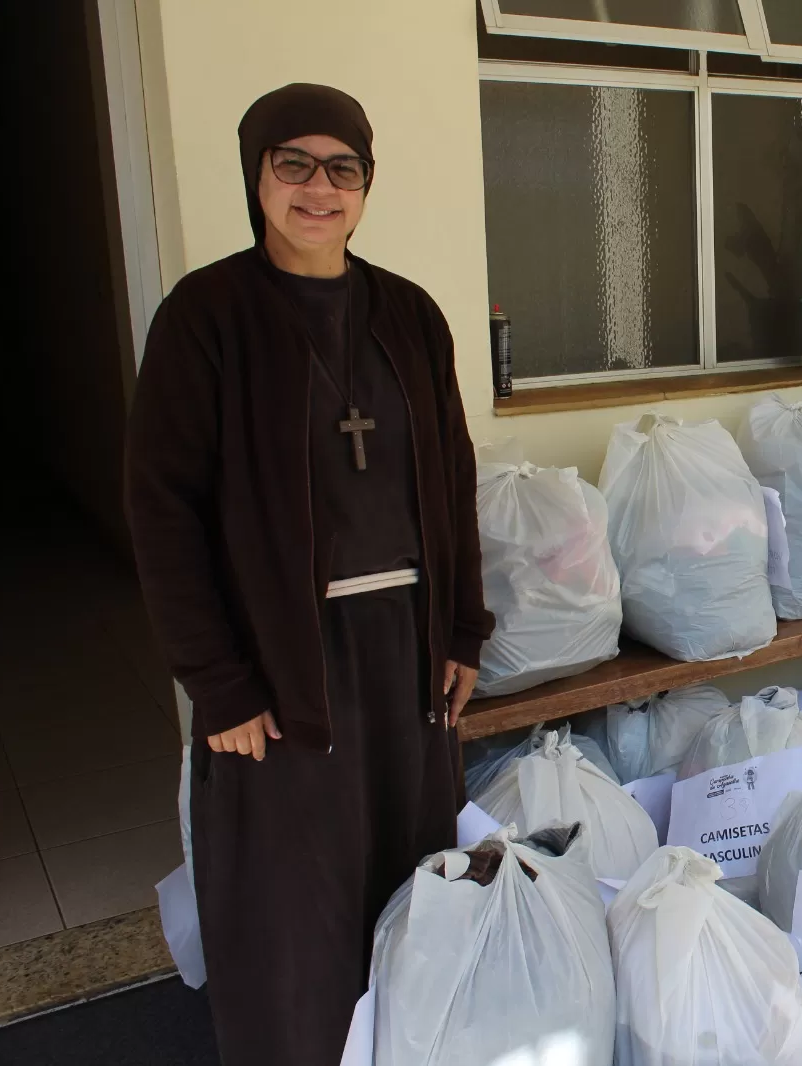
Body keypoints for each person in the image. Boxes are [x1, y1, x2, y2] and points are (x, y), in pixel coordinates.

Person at [125, 83, 494, 1066]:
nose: (318, 189)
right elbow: (163, 509)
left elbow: (453, 474)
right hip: (279, 667)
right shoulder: (206, 316)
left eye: (343, 169)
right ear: (257, 177)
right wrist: (219, 682)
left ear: (366, 185)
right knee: (292, 909)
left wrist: (463, 631)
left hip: (406, 656)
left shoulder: (409, 313)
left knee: (407, 884)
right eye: (294, 164)